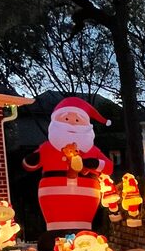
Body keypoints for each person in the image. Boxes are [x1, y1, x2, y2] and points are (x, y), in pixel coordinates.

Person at [22, 96, 113, 241]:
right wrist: (33, 160)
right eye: (66, 119)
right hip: (53, 195)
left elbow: (108, 167)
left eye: (77, 120)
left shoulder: (92, 150)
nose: (71, 123)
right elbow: (30, 165)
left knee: (83, 227)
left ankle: (85, 236)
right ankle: (53, 237)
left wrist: (94, 163)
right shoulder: (48, 148)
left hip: (86, 196)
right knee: (55, 227)